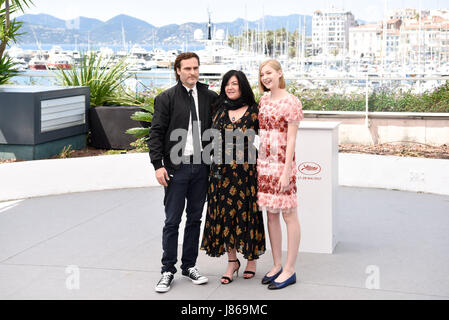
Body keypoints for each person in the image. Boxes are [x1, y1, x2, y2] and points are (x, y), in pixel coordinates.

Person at [149, 52, 218, 293]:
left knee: (195, 219)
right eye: (187, 68)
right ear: (178, 70)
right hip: (175, 169)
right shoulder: (166, 98)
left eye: (196, 68)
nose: (192, 72)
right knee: (172, 221)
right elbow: (156, 133)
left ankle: (190, 266)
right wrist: (158, 165)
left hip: (201, 168)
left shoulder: (210, 97)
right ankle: (167, 270)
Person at [200, 70, 266, 284]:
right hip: (222, 173)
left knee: (248, 214)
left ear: (242, 86)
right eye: (227, 84)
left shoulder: (255, 110)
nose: (230, 87)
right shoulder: (218, 109)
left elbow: (267, 140)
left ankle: (251, 259)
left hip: (247, 172)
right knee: (225, 215)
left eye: (235, 83)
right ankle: (232, 262)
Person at [257, 59, 304, 290]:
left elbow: (292, 139)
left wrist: (286, 172)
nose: (265, 77)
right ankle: (276, 265)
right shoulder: (263, 100)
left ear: (279, 74)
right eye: (262, 74)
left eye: (269, 73)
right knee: (271, 215)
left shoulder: (291, 102)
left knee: (289, 215)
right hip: (264, 165)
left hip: (282, 165)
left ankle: (289, 268)